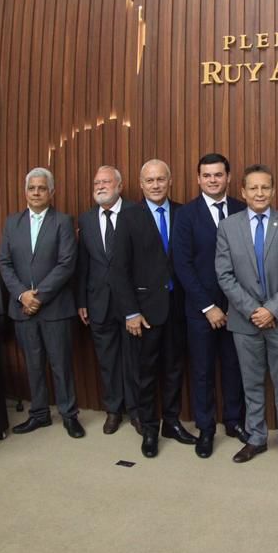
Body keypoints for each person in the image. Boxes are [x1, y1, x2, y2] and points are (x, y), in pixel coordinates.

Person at [215, 165, 278, 468]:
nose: (259, 193)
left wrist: (272, 310)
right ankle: (255, 438)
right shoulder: (228, 226)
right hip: (244, 321)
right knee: (251, 384)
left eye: (265, 187)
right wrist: (254, 311)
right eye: (253, 188)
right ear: (242, 191)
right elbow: (224, 275)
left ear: (273, 190)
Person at [110, 159, 196, 458]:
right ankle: (149, 428)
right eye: (150, 180)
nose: (156, 185)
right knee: (146, 373)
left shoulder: (185, 212)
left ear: (170, 181)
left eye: (161, 179)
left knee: (174, 369)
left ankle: (171, 422)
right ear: (141, 183)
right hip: (145, 312)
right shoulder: (129, 216)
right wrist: (131, 312)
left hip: (179, 307)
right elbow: (118, 270)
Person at [171, 153, 249, 458]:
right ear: (198, 179)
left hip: (238, 307)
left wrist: (237, 303)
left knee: (234, 367)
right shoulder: (186, 215)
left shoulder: (243, 210)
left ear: (229, 177)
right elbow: (183, 265)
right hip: (200, 310)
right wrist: (208, 307)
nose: (213, 180)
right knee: (202, 370)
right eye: (207, 175)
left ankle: (234, 421)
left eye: (218, 175)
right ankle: (206, 428)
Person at [0, 167, 84, 439]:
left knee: (61, 364)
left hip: (55, 308)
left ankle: (69, 415)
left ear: (52, 192)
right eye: (32, 188)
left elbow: (67, 263)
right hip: (22, 308)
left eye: (42, 188)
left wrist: (39, 296)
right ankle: (39, 414)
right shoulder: (12, 222)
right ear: (25, 192)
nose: (36, 192)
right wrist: (22, 295)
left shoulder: (63, 221)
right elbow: (5, 263)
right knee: (33, 364)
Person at [75, 165, 137, 434]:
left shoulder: (136, 213)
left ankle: (136, 410)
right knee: (107, 360)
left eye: (106, 182)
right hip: (98, 302)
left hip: (131, 304)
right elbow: (82, 265)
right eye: (96, 182)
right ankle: (114, 410)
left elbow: (143, 261)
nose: (100, 186)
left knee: (133, 359)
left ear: (120, 186)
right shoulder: (86, 219)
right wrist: (81, 301)